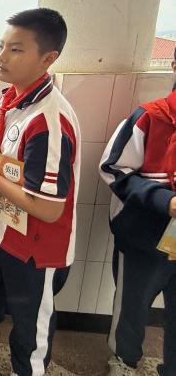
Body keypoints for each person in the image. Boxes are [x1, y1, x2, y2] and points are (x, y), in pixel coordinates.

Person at [0, 8, 81, 376]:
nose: (1, 57)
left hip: (38, 245)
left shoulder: (50, 122)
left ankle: (29, 369)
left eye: (16, 50)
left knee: (30, 318)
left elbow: (49, 209)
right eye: (1, 46)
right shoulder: (10, 98)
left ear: (48, 58)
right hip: (4, 221)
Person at [99, 48, 176, 376]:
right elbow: (112, 169)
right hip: (144, 240)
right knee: (132, 304)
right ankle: (124, 360)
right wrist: (164, 200)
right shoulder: (150, 117)